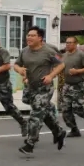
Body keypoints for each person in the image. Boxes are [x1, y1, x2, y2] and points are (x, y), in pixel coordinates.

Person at [13, 26, 66, 155]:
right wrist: (19, 70)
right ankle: (59, 131)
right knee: (45, 113)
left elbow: (61, 64)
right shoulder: (24, 51)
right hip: (32, 88)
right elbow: (16, 64)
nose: (28, 37)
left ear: (40, 38)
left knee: (35, 114)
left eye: (32, 35)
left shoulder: (48, 51)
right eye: (28, 35)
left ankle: (30, 143)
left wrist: (50, 76)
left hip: (45, 88)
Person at [59, 36, 84, 136]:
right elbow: (60, 67)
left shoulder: (81, 55)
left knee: (77, 109)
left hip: (79, 84)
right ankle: (74, 130)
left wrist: (77, 71)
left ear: (75, 44)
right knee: (65, 109)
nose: (68, 44)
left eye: (70, 42)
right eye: (66, 42)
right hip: (67, 84)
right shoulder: (64, 55)